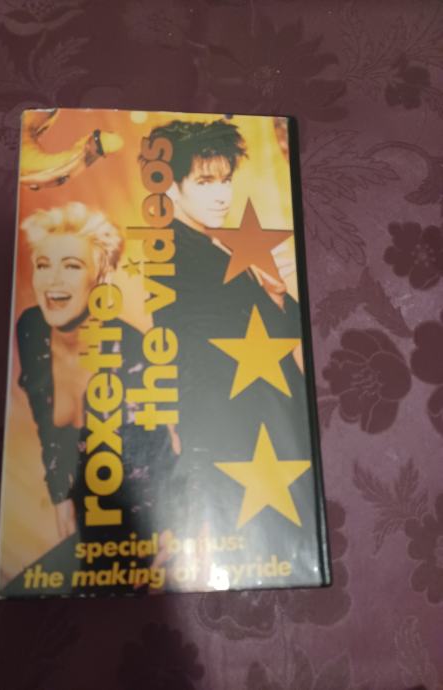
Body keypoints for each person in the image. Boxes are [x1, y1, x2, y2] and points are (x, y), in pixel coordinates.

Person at [138, 120, 315, 585]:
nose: (221, 195)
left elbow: (265, 332)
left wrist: (276, 294)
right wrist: (197, 467)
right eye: (204, 182)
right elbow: (196, 362)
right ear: (171, 187)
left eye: (226, 179)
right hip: (240, 436)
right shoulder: (179, 254)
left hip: (263, 427)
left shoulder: (210, 246)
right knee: (268, 556)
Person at [16, 201, 174, 545]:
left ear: (101, 277)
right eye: (43, 265)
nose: (52, 280)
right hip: (80, 508)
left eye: (71, 266)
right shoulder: (31, 330)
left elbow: (157, 456)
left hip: (141, 511)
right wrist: (60, 495)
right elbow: (46, 422)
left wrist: (166, 529)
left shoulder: (134, 353)